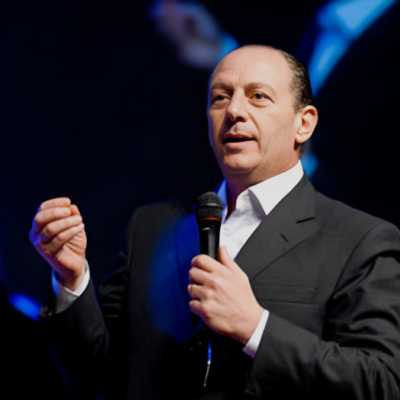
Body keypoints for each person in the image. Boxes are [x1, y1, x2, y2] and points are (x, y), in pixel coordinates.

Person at [31, 45, 400, 399]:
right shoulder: (151, 227)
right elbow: (97, 377)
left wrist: (255, 327)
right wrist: (71, 280)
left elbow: (381, 383)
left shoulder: (360, 240)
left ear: (303, 124)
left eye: (258, 96)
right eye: (220, 97)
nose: (234, 110)